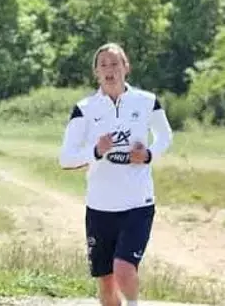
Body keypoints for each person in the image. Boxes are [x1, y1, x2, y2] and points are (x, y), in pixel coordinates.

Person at [58, 42, 173, 306]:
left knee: (124, 268)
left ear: (126, 67)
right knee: (107, 284)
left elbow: (165, 136)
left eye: (115, 64)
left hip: (138, 203)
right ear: (96, 73)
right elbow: (65, 157)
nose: (110, 70)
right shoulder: (84, 109)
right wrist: (96, 151)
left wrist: (148, 154)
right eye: (103, 65)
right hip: (100, 206)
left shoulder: (146, 102)